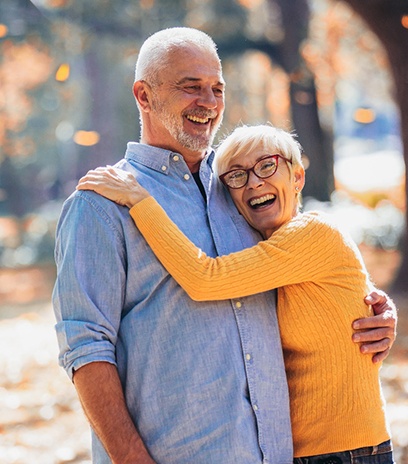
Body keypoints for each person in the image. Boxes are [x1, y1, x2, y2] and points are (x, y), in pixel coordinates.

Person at [54, 27, 397, 464]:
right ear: (143, 95)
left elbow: (305, 274)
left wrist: (371, 312)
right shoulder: (101, 204)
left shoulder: (243, 187)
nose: (209, 102)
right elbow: (86, 349)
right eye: (190, 87)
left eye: (217, 88)